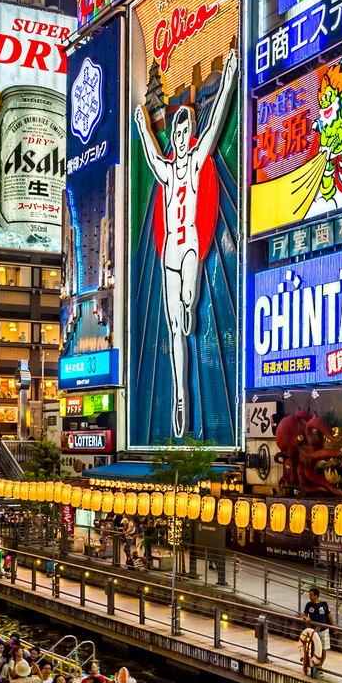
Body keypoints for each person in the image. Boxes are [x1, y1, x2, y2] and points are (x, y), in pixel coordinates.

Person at [132, 47, 237, 437]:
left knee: (188, 304)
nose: (178, 137)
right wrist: (142, 126)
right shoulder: (166, 170)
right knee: (175, 327)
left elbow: (214, 125)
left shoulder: (193, 163)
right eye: (174, 133)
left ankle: (192, 302)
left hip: (191, 245)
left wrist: (227, 76)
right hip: (169, 256)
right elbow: (149, 154)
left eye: (182, 132)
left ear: (187, 134)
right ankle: (179, 394)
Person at [302, 587, 334, 677]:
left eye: (311, 595)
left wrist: (333, 626)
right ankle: (312, 665)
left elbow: (329, 615)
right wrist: (306, 618)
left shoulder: (323, 605)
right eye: (309, 595)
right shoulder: (308, 605)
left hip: (324, 629)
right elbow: (304, 615)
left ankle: (320, 666)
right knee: (314, 648)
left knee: (324, 649)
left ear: (317, 595)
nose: (310, 597)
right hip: (314, 630)